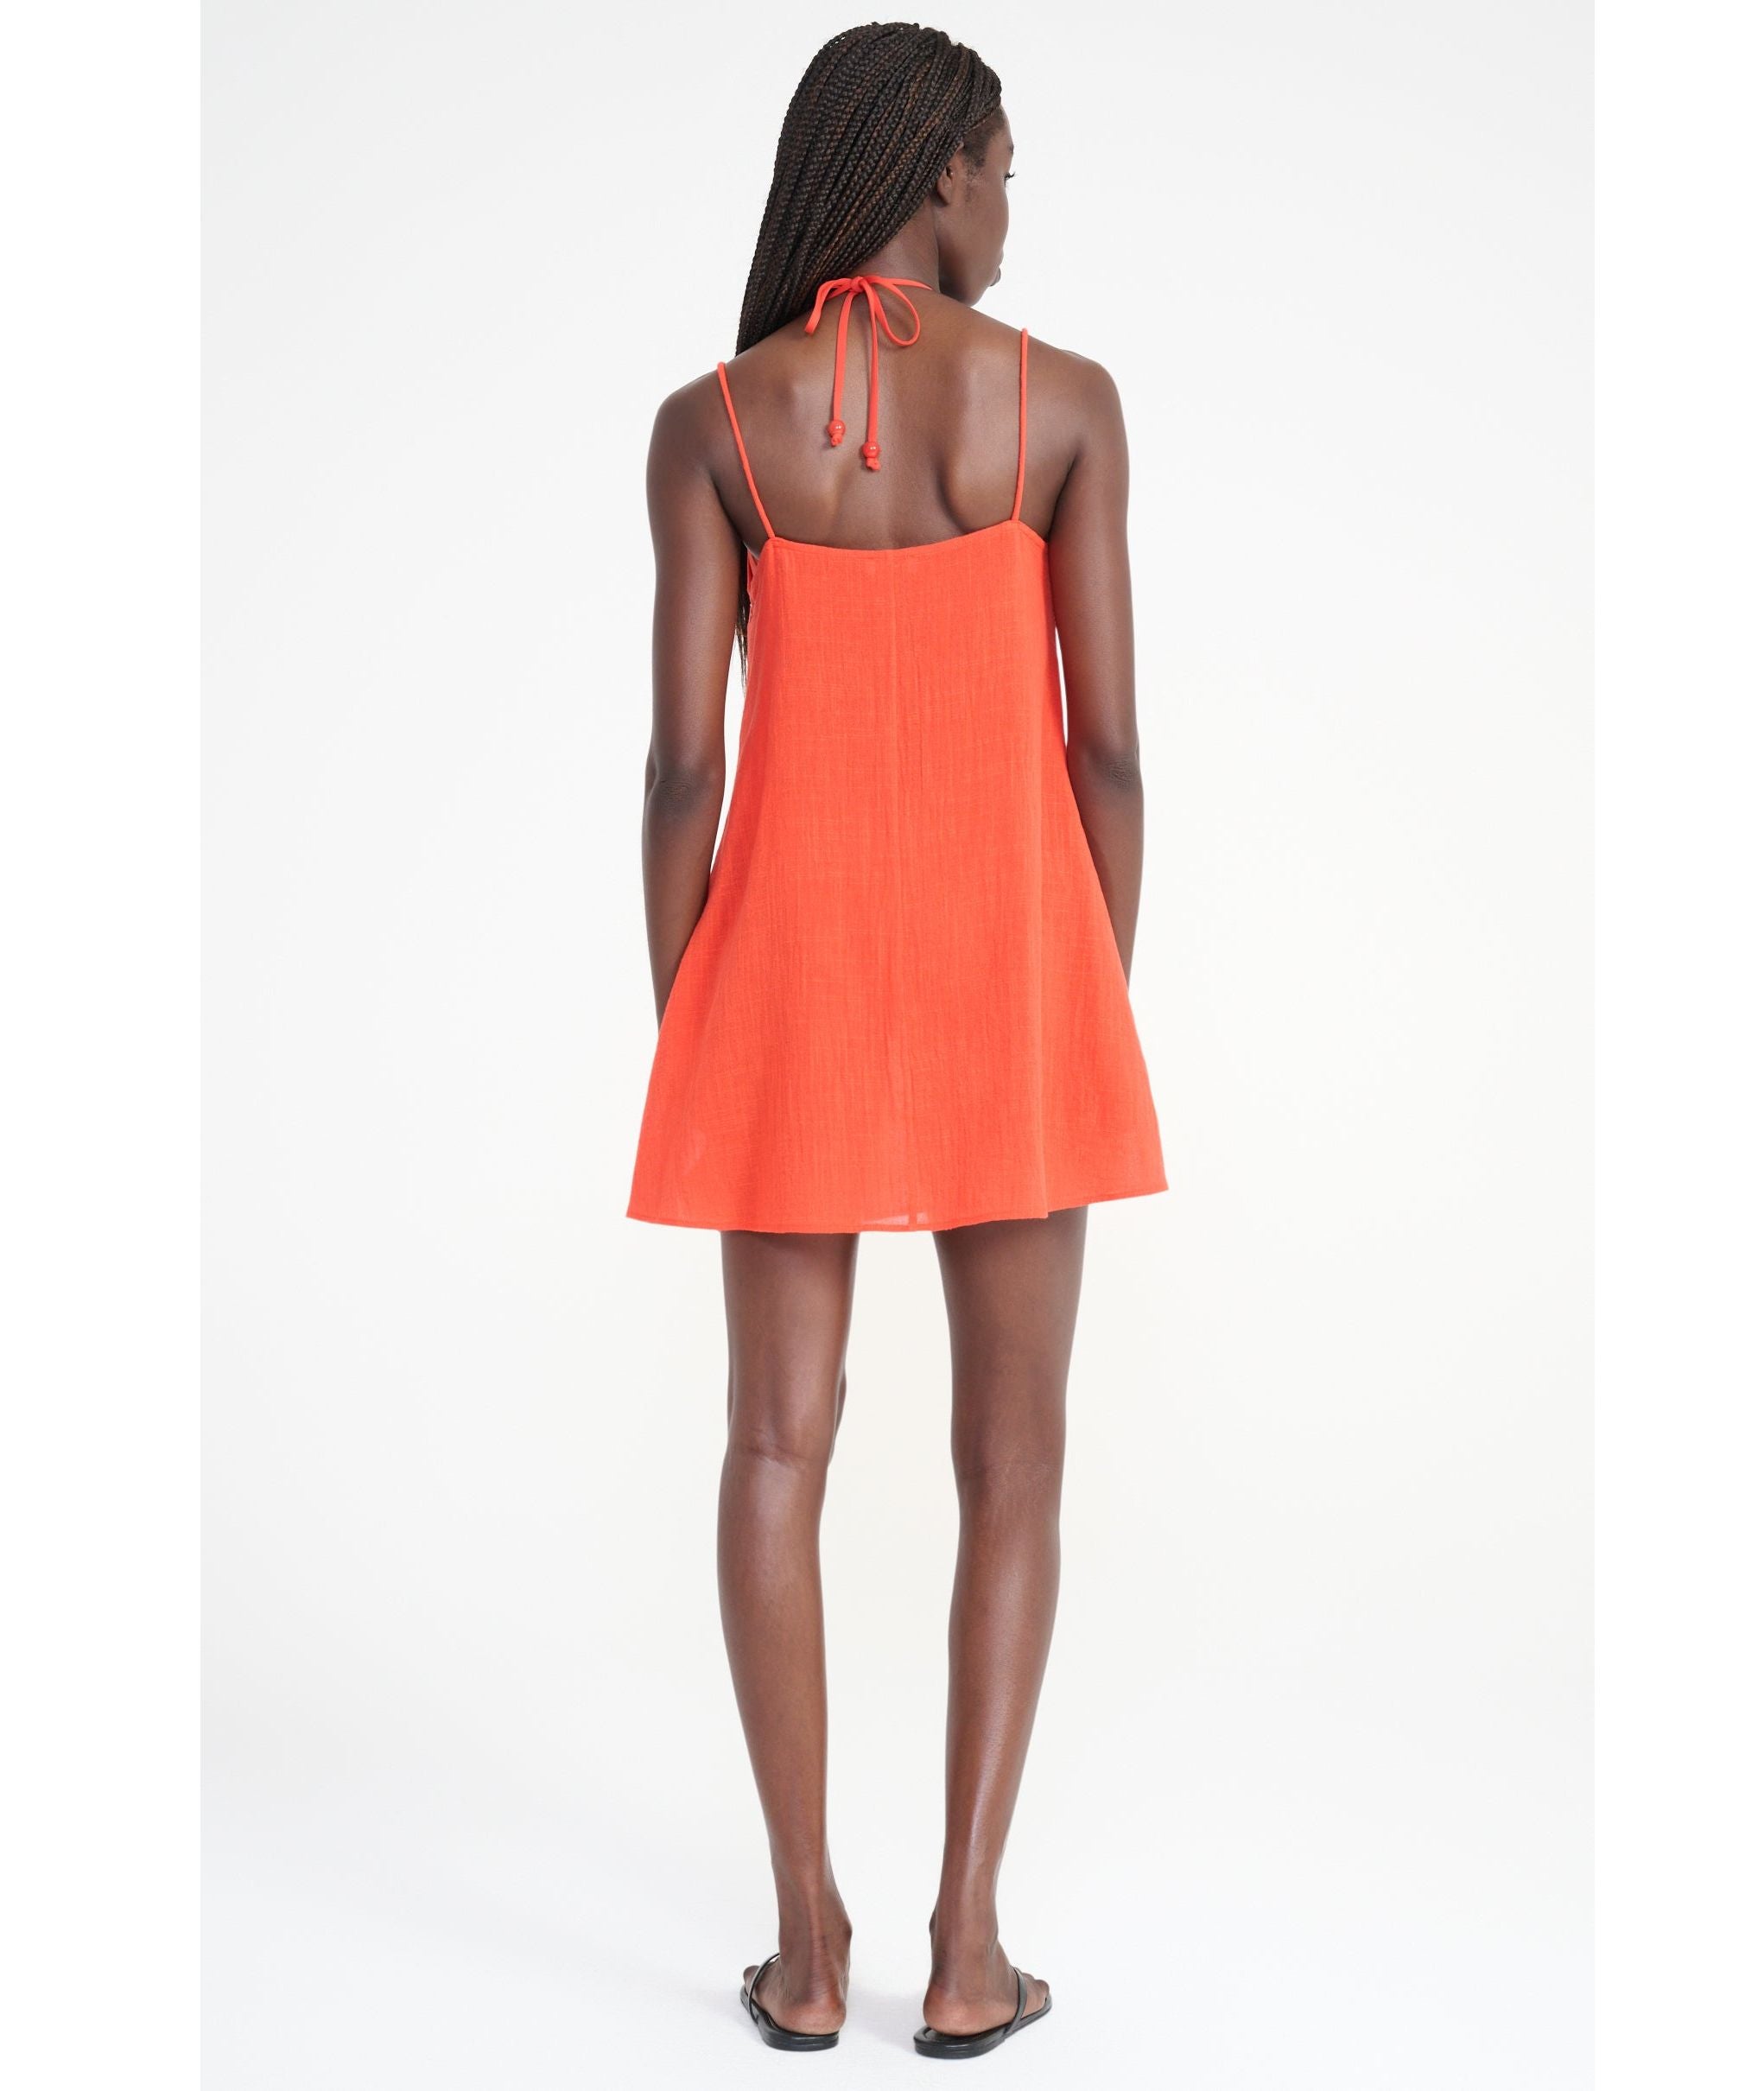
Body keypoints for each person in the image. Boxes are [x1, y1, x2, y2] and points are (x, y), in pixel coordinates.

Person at [627, 22, 1164, 2059]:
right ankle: (965, 1944)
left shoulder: (715, 426)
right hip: (1014, 976)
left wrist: (693, 1013)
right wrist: (1083, 991)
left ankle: (803, 1947)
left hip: (787, 981)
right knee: (1012, 1458)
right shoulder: (1066, 409)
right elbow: (1108, 754)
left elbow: (683, 773)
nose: (1011, 206)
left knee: (776, 1442)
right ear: (940, 167)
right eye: (1003, 166)